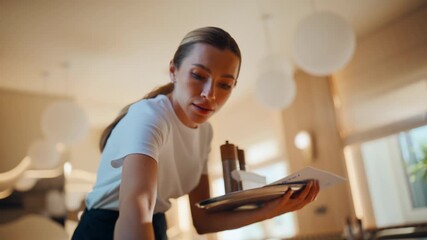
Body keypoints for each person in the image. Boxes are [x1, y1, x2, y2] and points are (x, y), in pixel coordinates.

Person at [72, 26, 319, 240]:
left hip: (155, 226)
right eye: (199, 76)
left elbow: (203, 221)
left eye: (224, 84)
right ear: (173, 71)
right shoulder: (150, 116)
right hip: (110, 228)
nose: (210, 94)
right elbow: (137, 206)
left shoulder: (205, 133)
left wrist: (276, 208)